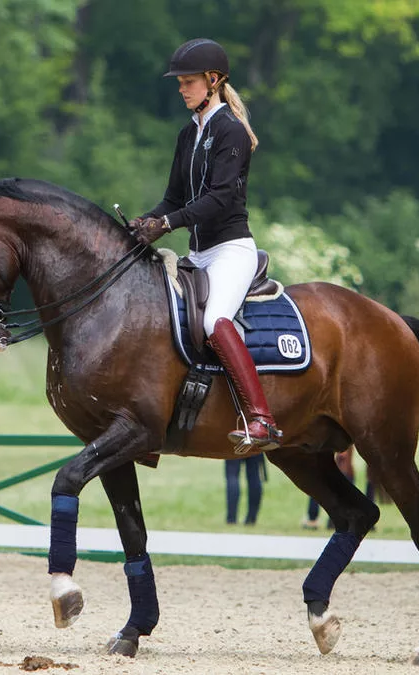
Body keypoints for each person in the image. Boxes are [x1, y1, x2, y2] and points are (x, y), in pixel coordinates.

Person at [131, 38, 282, 451]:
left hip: (231, 250)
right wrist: (146, 222)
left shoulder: (230, 131)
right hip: (198, 255)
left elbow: (220, 199)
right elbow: (174, 198)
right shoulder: (187, 135)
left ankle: (261, 419)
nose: (182, 89)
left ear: (213, 81)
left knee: (215, 320)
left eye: (189, 82)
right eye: (180, 82)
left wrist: (167, 223)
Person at [224, 455, 266, 525]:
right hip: (254, 446)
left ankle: (231, 519)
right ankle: (251, 519)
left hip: (234, 446)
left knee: (232, 475)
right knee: (254, 475)